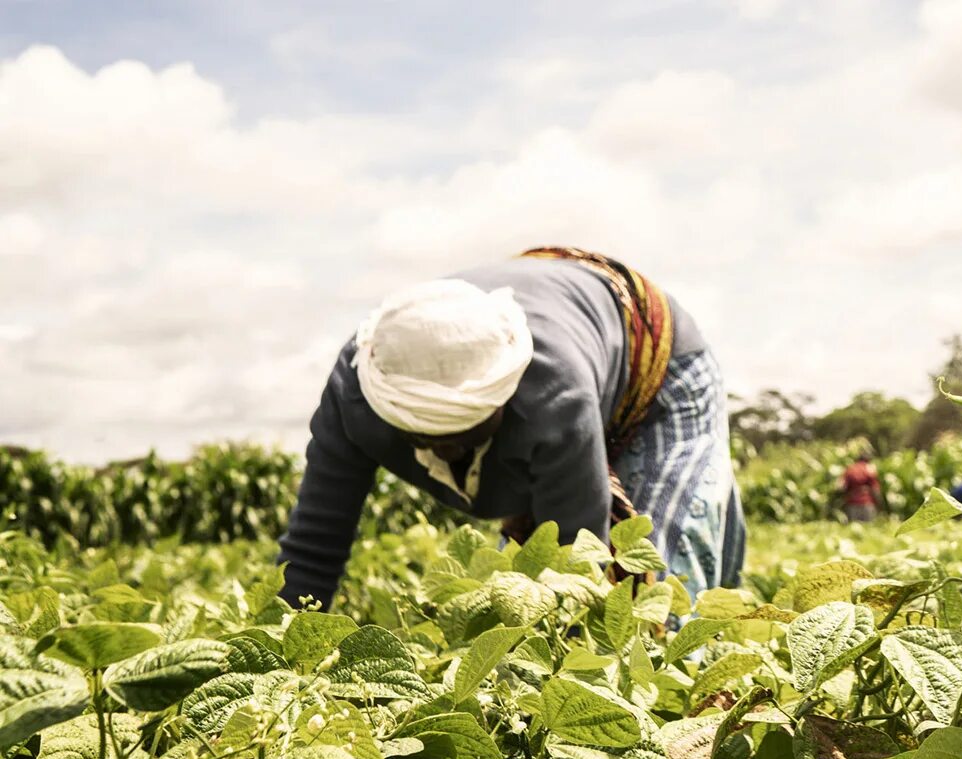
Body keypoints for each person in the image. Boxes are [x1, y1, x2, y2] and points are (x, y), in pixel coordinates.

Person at [276, 246, 747, 611]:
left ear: (504, 394)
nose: (451, 447)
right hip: (567, 359)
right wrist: (275, 662)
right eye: (428, 433)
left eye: (470, 425)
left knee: (659, 597)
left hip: (654, 362)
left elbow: (574, 562)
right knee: (514, 609)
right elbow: (316, 545)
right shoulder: (356, 392)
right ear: (392, 414)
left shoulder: (550, 393)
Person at [839, 453, 883, 523]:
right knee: (869, 529)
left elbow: (841, 487)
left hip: (852, 504)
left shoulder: (850, 469)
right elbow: (875, 489)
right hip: (867, 504)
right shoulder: (869, 469)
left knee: (854, 529)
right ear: (867, 460)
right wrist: (880, 503)